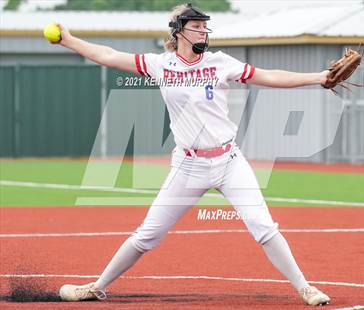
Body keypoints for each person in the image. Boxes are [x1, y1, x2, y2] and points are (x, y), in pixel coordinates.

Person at [57, 3, 331, 306]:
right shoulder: (160, 64)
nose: (203, 30)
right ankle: (97, 286)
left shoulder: (219, 62)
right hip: (188, 165)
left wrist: (319, 77)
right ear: (178, 30)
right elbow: (108, 56)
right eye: (196, 26)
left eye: (205, 26)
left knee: (263, 226)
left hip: (228, 161)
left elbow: (269, 76)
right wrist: (69, 40)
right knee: (147, 235)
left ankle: (305, 288)